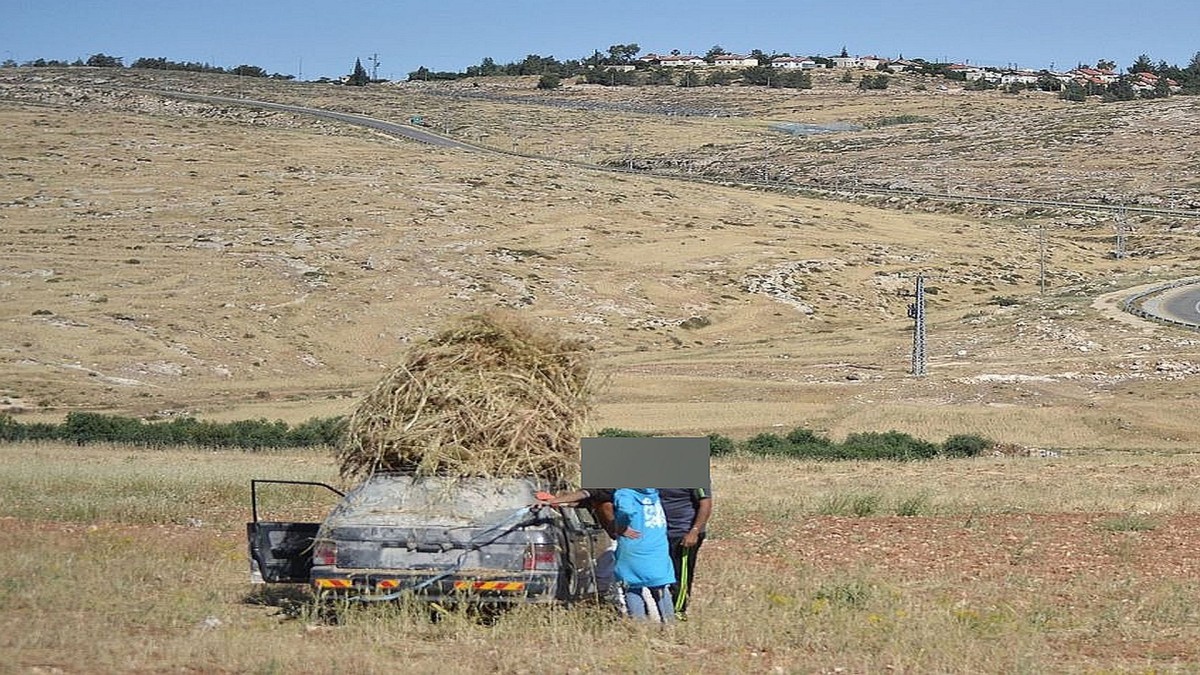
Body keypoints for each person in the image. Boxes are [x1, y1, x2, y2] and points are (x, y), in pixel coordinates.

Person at [611, 487, 675, 623]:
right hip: (657, 547)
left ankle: (639, 626)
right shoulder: (653, 493)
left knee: (632, 587)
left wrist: (620, 526)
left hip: (634, 547)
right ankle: (670, 625)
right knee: (660, 586)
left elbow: (626, 510)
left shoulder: (625, 493)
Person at [657, 487, 712, 618]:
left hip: (683, 533)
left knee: (680, 576)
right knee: (661, 575)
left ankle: (678, 611)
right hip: (659, 533)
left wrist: (694, 532)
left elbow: (706, 504)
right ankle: (662, 609)